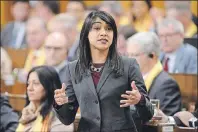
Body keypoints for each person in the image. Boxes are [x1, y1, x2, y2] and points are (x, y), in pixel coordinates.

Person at [54, 11, 153, 132]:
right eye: (97, 28)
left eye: (109, 29)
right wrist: (61, 104)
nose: (103, 33)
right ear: (86, 34)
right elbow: (67, 119)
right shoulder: (73, 68)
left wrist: (140, 100)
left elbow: (148, 114)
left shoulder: (129, 65)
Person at [126, 32, 182, 116]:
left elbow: (166, 122)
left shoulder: (167, 84)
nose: (129, 60)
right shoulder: (128, 78)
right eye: (128, 55)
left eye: (134, 55)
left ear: (152, 56)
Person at [16, 66, 74, 132]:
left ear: (49, 87)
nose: (29, 88)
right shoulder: (27, 113)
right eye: (28, 83)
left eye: (35, 83)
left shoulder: (61, 116)